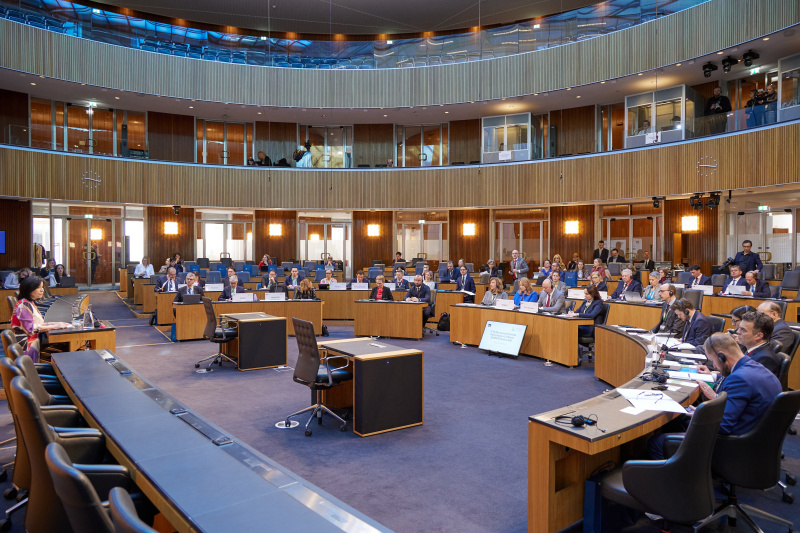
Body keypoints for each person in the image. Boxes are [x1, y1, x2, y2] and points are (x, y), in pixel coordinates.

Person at [647, 333, 782, 460]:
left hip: (736, 446)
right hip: (757, 440)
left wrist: (700, 415)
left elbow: (723, 426)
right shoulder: (757, 368)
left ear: (722, 356)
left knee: (658, 442)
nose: (715, 366)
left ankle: (678, 481)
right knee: (681, 421)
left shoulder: (738, 379)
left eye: (713, 361)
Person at [11, 276, 70, 360]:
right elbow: (30, 329)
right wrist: (55, 326)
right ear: (29, 289)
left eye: (42, 287)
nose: (42, 290)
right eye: (38, 288)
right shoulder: (24, 306)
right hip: (26, 347)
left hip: (32, 341)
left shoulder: (29, 302)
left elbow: (38, 324)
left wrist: (58, 324)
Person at [738, 311, 781, 377]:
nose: (738, 332)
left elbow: (745, 382)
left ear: (758, 336)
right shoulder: (746, 348)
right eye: (739, 328)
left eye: (743, 330)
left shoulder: (765, 359)